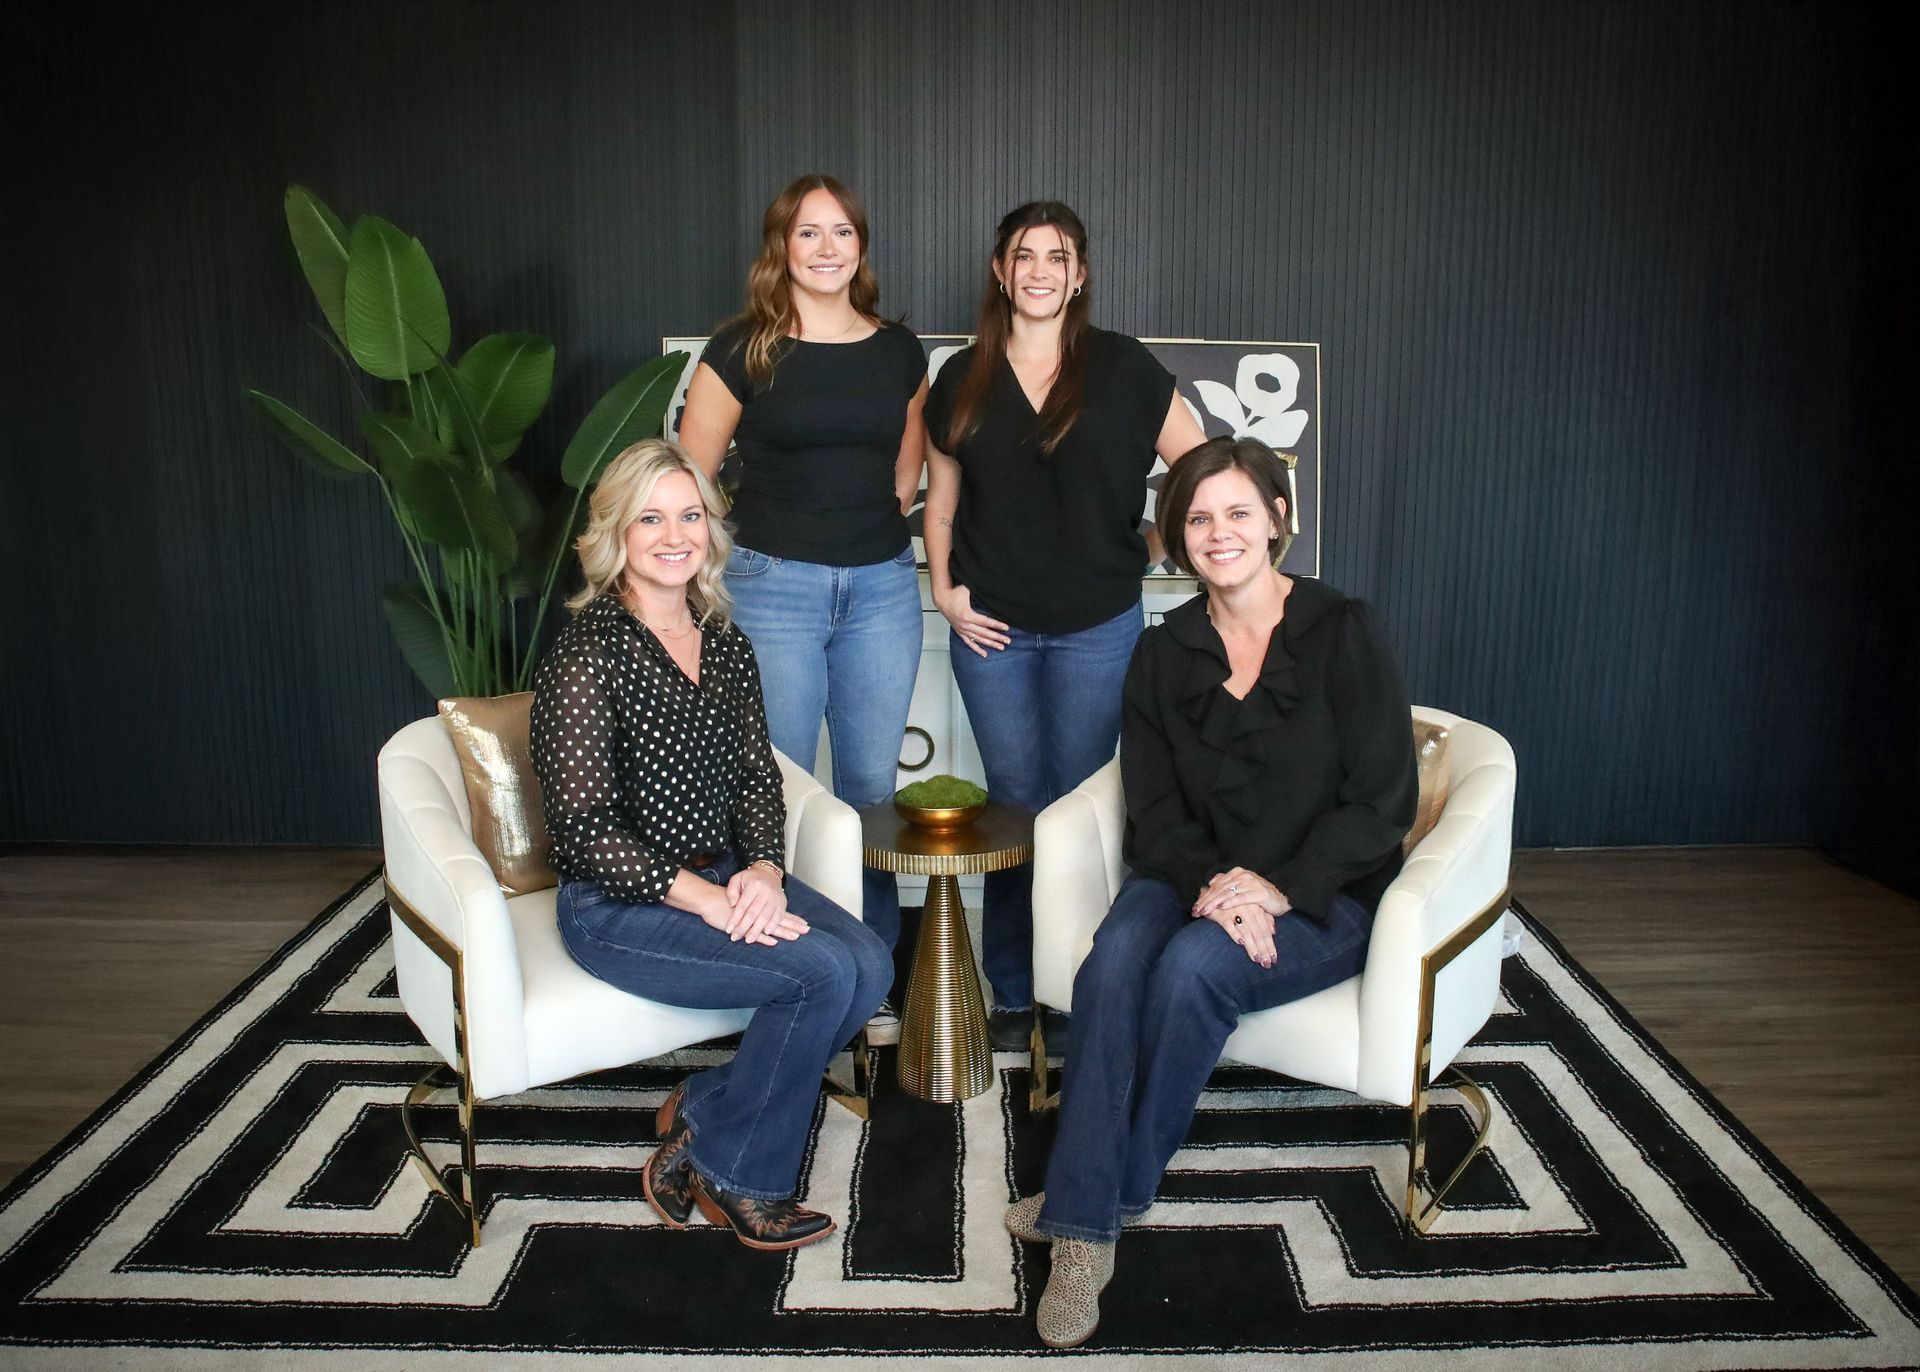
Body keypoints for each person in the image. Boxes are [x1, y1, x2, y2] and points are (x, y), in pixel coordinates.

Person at [1007, 438, 1418, 1346]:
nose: (1219, 533)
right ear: (1177, 536)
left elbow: (1385, 799)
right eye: (1198, 518)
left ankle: (1086, 1218)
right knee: (1114, 956)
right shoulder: (1164, 652)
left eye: (1239, 512)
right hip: (1193, 870)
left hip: (1327, 890)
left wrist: (1274, 888)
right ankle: (1096, 1212)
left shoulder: (1343, 627)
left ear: (1278, 516)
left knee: (1194, 968)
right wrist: (1218, 886)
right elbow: (1151, 809)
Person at [531, 438, 891, 1252]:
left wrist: (763, 871)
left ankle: (707, 1111)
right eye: (649, 517)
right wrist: (713, 902)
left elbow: (758, 780)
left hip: (726, 874)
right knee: (820, 973)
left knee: (868, 964)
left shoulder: (722, 639)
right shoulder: (586, 653)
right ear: (615, 532)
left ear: (710, 529)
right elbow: (585, 833)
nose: (673, 535)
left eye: (689, 515)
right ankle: (740, 1175)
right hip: (619, 906)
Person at [921, 201, 1206, 1049]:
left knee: (1078, 809)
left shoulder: (1122, 368)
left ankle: (1081, 980)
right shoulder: (960, 379)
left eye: (1058, 256)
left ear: (1079, 274)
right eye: (1024, 255)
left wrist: (1156, 539)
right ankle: (1012, 988)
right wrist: (945, 592)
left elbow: (1200, 467)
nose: (1040, 270)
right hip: (991, 633)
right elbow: (940, 508)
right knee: (1013, 806)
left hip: (1096, 627)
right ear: (1000, 272)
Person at [678, 174, 927, 1038]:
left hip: (883, 588)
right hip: (770, 585)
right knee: (774, 784)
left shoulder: (899, 351)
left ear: (861, 245)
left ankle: (875, 974)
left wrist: (866, 533)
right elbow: (693, 478)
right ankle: (787, 966)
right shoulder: (741, 348)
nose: (827, 249)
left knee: (866, 788)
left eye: (843, 233)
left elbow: (906, 467)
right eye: (809, 233)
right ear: (781, 245)